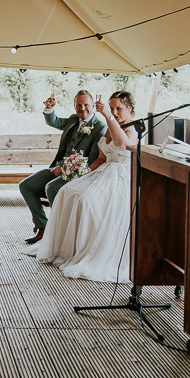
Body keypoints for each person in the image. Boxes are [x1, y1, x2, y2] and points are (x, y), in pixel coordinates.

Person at [27, 92, 137, 283]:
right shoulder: (106, 126)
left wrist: (109, 117)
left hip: (120, 177)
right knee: (67, 191)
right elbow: (102, 158)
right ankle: (66, 244)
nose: (114, 112)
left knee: (86, 198)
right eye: (112, 108)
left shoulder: (128, 129)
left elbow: (121, 145)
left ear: (130, 109)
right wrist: (85, 175)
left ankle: (88, 248)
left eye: (119, 108)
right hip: (101, 171)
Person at [19, 90, 107, 245]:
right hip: (58, 167)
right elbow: (55, 122)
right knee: (26, 185)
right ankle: (43, 227)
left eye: (86, 104)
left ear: (93, 105)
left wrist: (66, 169)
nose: (82, 108)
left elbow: (92, 159)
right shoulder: (74, 119)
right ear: (74, 107)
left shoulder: (100, 127)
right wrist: (50, 109)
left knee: (51, 187)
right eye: (79, 105)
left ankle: (58, 232)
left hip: (79, 173)